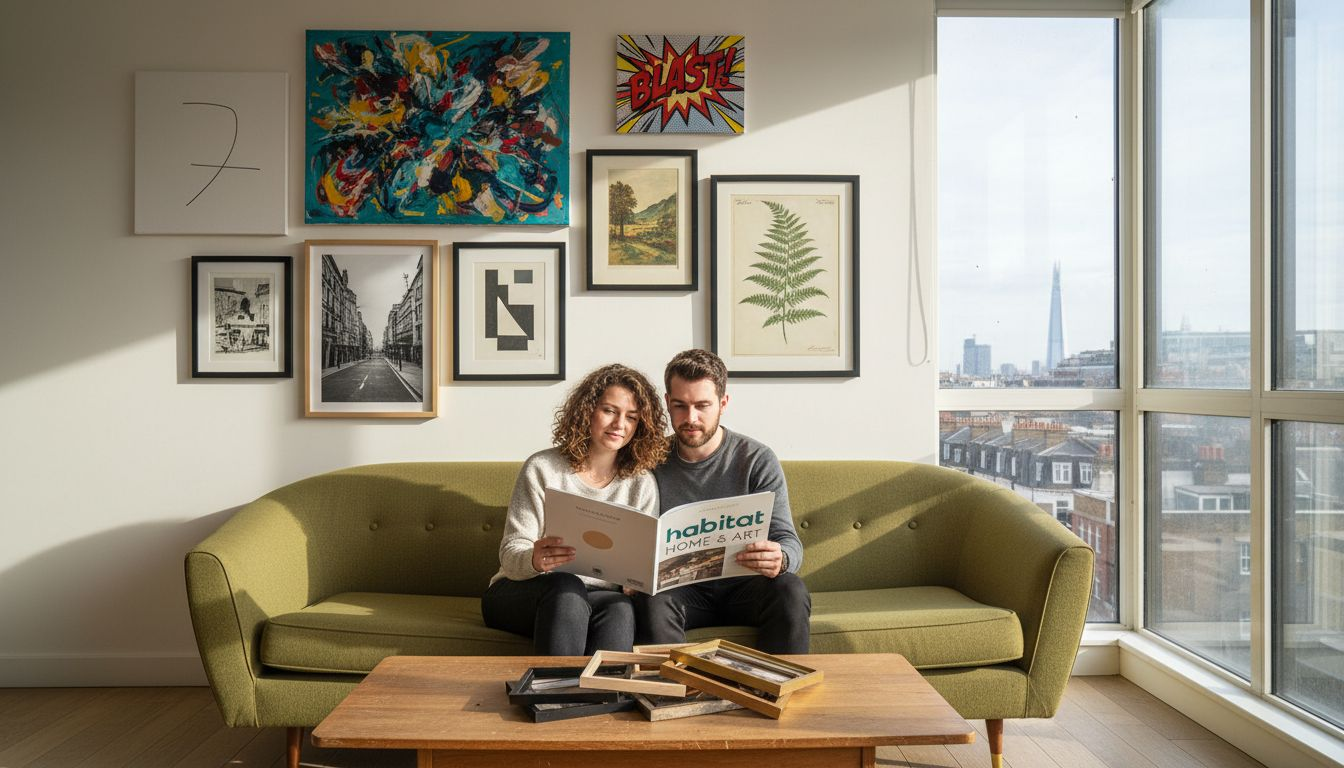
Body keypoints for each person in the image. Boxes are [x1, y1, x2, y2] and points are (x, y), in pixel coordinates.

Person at [482, 364, 669, 655]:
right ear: (587, 410)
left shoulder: (641, 483)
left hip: (598, 596)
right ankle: (551, 699)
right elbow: (510, 555)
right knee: (566, 588)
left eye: (631, 417)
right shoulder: (542, 468)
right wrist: (534, 558)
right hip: (522, 590)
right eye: (609, 410)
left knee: (620, 608)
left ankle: (606, 699)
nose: (620, 424)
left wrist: (638, 580)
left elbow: (641, 560)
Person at [635, 349, 811, 654]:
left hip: (744, 587)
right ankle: (670, 696)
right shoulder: (650, 459)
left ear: (723, 403)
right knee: (649, 599)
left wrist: (781, 558)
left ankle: (777, 694)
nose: (691, 418)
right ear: (667, 403)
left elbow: (788, 539)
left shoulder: (756, 459)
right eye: (680, 406)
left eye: (703, 406)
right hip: (681, 591)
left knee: (791, 588)